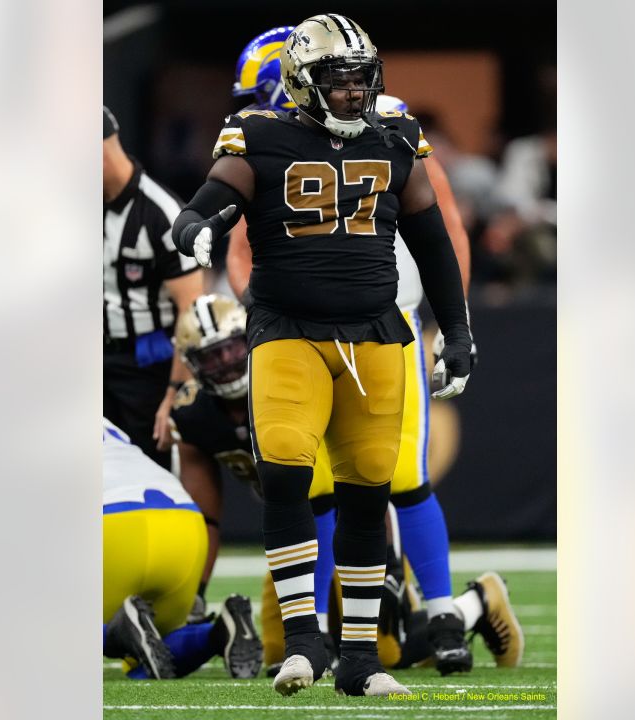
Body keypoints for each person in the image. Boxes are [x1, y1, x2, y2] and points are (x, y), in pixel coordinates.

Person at [170, 14, 473, 698]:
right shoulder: (261, 133)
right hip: (289, 333)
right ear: (302, 85)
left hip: (376, 334)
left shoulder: (396, 136)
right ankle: (306, 640)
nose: (352, 95)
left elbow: (430, 236)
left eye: (361, 82)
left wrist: (457, 330)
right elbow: (219, 192)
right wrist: (197, 221)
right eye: (337, 83)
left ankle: (362, 659)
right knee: (287, 477)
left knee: (371, 492)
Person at [170, 294, 523, 676]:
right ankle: (325, 630)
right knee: (278, 651)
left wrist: (384, 552)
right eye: (211, 357)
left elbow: (361, 475)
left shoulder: (290, 375)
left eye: (230, 349)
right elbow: (203, 515)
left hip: (351, 525)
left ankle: (478, 602)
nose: (225, 364)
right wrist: (195, 595)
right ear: (192, 367)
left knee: (386, 651)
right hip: (297, 535)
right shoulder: (194, 414)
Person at [101, 418, 263, 680]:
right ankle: (216, 635)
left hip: (116, 524)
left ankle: (116, 634)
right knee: (144, 664)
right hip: (184, 521)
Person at [103, 106, 203, 469]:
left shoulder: (162, 213)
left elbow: (190, 311)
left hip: (147, 365)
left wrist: (173, 395)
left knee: (148, 468)